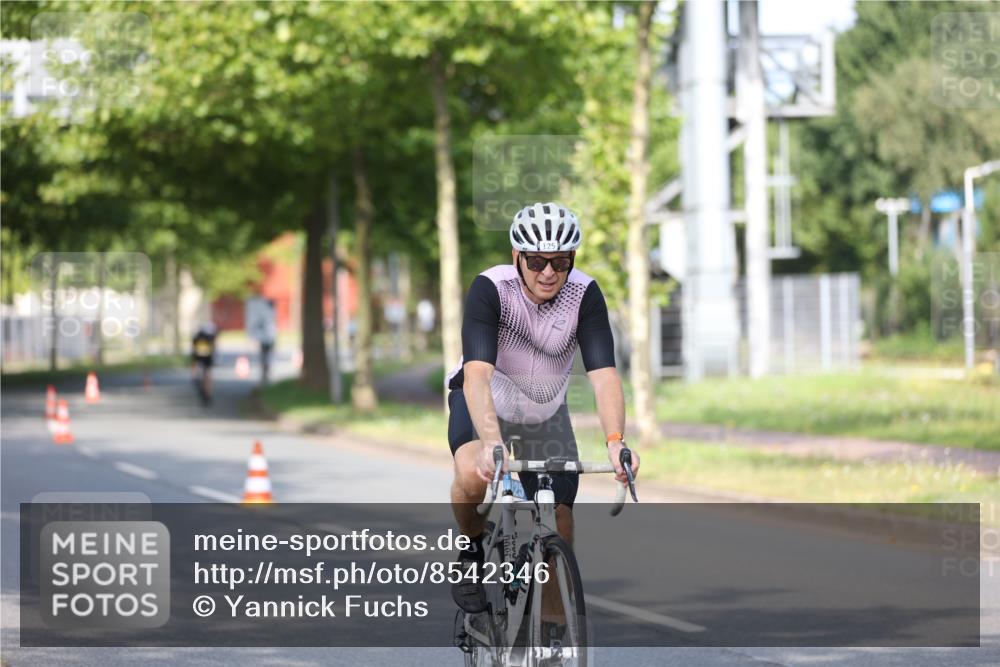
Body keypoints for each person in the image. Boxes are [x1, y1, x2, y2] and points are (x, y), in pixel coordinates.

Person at [446, 202, 640, 618]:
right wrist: (491, 442)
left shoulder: (584, 294)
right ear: (517, 256)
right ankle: (471, 549)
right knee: (471, 472)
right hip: (485, 402)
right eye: (536, 261)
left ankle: (553, 636)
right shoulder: (492, 288)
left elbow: (604, 375)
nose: (548, 272)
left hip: (542, 412)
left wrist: (615, 442)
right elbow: (477, 374)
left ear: (572, 259)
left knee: (560, 522)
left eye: (560, 261)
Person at [191, 322, 217, 406]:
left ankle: (195, 378)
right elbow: (214, 346)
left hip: (199, 356)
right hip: (207, 357)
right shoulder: (211, 336)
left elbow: (193, 348)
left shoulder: (197, 336)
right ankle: (208, 393)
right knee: (208, 373)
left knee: (197, 367)